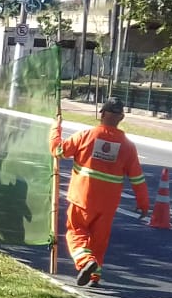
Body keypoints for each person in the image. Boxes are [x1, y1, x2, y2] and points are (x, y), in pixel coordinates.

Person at [50, 96, 150, 287]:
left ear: (101, 114)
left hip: (82, 199)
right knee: (99, 242)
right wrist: (143, 204)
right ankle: (95, 276)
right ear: (121, 117)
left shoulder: (85, 136)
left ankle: (86, 263)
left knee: (76, 233)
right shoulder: (128, 146)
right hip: (107, 205)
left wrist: (56, 128)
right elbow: (137, 178)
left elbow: (58, 150)